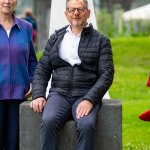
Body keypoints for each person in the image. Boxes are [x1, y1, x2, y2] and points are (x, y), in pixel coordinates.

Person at [30, 0, 114, 149]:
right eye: (72, 10)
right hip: (59, 94)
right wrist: (38, 95)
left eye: (80, 9)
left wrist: (90, 99)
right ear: (66, 14)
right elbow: (42, 69)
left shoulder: (101, 41)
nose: (76, 13)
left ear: (88, 13)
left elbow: (106, 74)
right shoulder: (56, 38)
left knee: (86, 124)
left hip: (85, 94)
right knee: (48, 120)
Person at [0, 0, 37, 149]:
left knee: (13, 144)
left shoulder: (26, 27)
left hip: (19, 95)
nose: (7, 1)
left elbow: (32, 60)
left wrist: (33, 81)